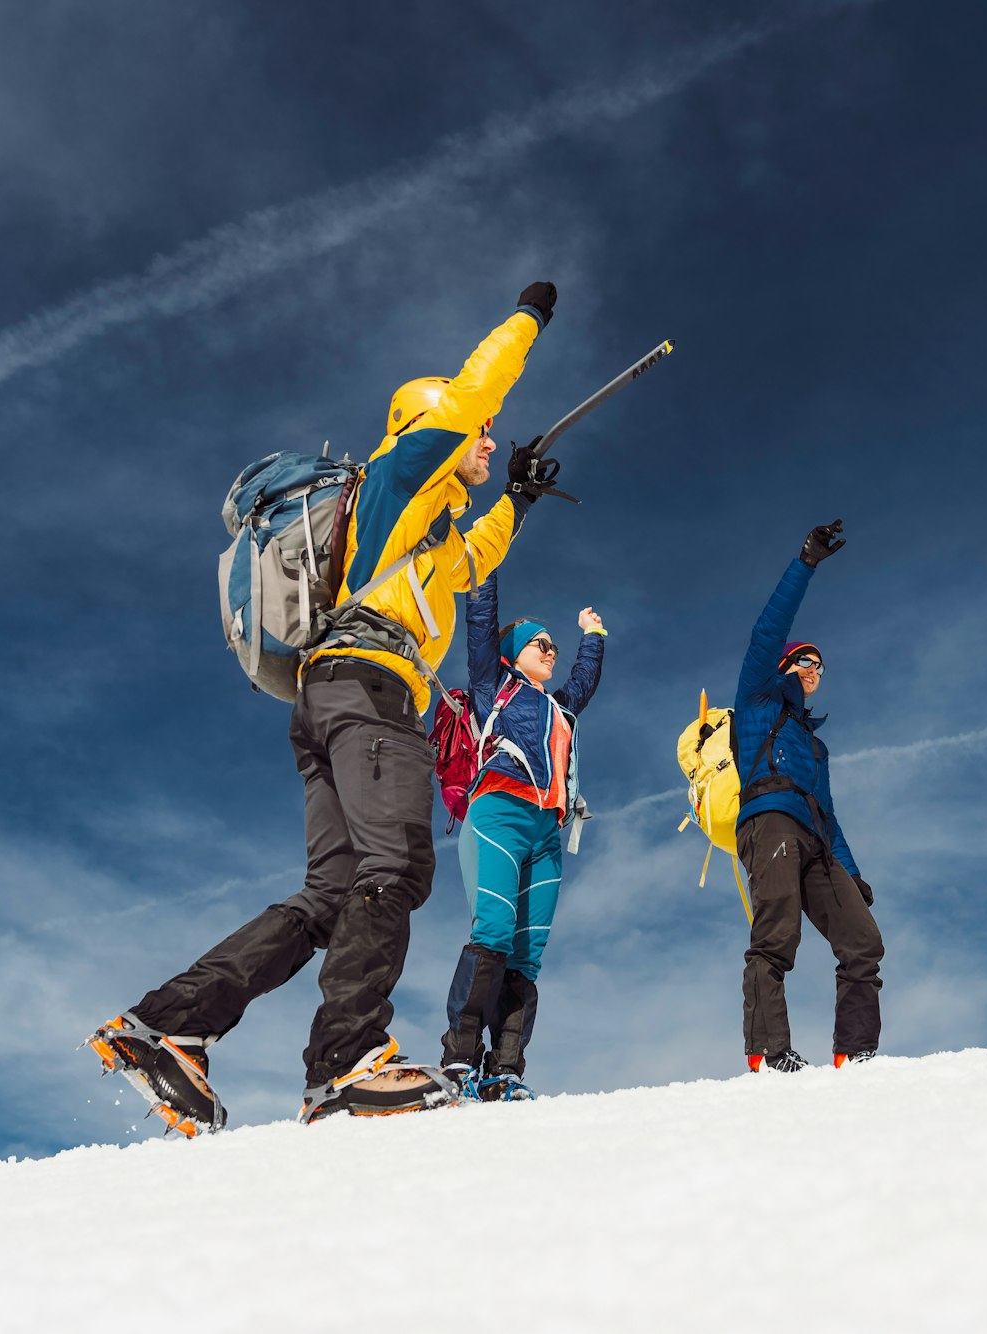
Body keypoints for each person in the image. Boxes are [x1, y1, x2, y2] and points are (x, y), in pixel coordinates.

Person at [89, 281, 567, 1133]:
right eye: (480, 435)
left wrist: (518, 500)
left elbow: (473, 559)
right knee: (396, 870)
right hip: (372, 696)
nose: (488, 439)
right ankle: (345, 1060)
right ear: (433, 427)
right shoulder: (402, 468)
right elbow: (475, 390)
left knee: (335, 892)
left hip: (329, 701)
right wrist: (527, 318)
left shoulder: (421, 526)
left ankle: (172, 1023)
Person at [439, 572, 605, 1101]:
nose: (551, 652)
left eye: (555, 646)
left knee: (527, 953)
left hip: (546, 833)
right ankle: (459, 1061)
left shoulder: (560, 709)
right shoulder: (494, 687)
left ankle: (505, 1070)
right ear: (514, 653)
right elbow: (481, 625)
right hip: (499, 816)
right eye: (542, 643)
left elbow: (583, 682)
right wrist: (485, 567)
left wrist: (593, 637)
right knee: (493, 930)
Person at [735, 519, 884, 1073]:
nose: (813, 670)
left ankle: (857, 1052)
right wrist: (806, 563)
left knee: (863, 942)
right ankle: (770, 1054)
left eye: (819, 664)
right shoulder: (756, 700)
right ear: (783, 667)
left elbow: (831, 817)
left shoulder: (815, 746)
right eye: (804, 661)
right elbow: (767, 633)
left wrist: (852, 872)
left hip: (815, 839)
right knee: (776, 938)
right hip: (768, 821)